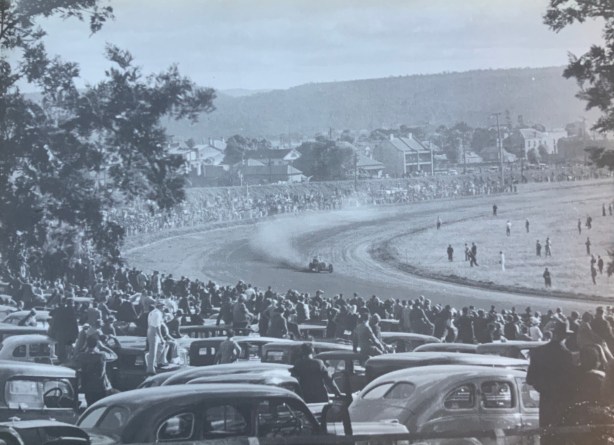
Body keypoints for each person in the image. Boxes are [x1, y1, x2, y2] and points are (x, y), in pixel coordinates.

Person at [526, 321, 575, 441]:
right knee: (560, 436)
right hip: (562, 402)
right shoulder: (567, 355)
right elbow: (570, 381)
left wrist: (542, 388)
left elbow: (530, 379)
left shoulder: (538, 351)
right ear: (565, 336)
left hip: (545, 400)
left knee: (546, 435)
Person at [77, 335, 116, 407]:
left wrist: (84, 347)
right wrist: (103, 347)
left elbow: (75, 356)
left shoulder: (82, 356)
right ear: (96, 344)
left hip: (87, 387)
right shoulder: (101, 356)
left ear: (87, 344)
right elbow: (114, 356)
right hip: (100, 387)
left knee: (90, 406)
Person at [146, 302, 165, 374]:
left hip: (150, 329)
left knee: (161, 346)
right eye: (163, 306)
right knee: (153, 351)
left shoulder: (152, 312)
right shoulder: (158, 313)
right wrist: (161, 337)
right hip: (154, 331)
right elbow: (157, 327)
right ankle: (150, 368)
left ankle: (157, 362)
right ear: (160, 306)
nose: (163, 308)